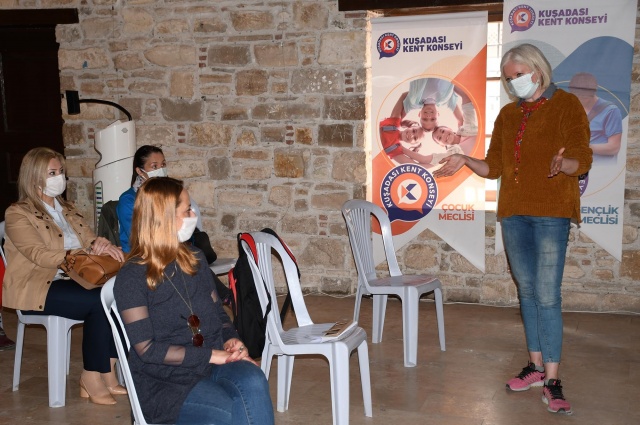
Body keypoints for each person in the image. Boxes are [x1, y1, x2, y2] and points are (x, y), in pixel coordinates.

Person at [434, 44, 592, 415]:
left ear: (538, 70)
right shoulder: (508, 114)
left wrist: (564, 163)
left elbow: (582, 159)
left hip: (551, 212)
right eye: (508, 78)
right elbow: (495, 167)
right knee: (527, 292)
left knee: (547, 295)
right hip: (514, 214)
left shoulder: (566, 105)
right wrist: (464, 159)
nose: (513, 82)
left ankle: (552, 380)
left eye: (519, 75)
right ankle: (535, 367)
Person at [114, 177, 274, 425]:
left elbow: (218, 314)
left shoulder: (194, 258)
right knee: (232, 411)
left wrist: (231, 338)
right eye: (187, 210)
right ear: (164, 219)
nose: (194, 215)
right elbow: (147, 349)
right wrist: (212, 355)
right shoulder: (132, 276)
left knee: (254, 379)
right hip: (166, 381)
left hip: (210, 361)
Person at [2, 147, 126, 405]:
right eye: (52, 173)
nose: (59, 178)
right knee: (98, 301)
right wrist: (78, 253)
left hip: (75, 278)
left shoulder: (67, 208)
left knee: (122, 292)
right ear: (34, 176)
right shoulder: (18, 213)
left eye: (61, 172)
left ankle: (108, 371)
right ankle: (91, 376)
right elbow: (37, 254)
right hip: (39, 284)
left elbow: (89, 239)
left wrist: (102, 244)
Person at [380, 92, 458, 166]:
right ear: (410, 127)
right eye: (414, 131)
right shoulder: (394, 122)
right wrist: (423, 99)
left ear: (413, 144)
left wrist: (439, 163)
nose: (411, 135)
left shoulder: (396, 150)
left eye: (415, 138)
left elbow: (417, 167)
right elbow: (404, 95)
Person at [568, 72, 622, 163]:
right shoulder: (569, 107)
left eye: (584, 97)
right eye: (577, 96)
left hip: (601, 167)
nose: (579, 99)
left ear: (594, 91)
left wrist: (583, 146)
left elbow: (614, 148)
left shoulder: (610, 111)